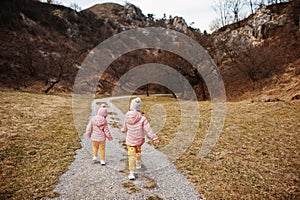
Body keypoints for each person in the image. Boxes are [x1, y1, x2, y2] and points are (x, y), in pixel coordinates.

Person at [121, 97, 159, 180]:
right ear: (139, 108)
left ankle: (131, 172)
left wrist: (123, 130)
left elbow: (125, 128)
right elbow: (148, 129)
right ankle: (138, 162)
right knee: (138, 150)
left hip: (130, 141)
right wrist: (154, 138)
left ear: (131, 106)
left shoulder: (127, 117)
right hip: (139, 141)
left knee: (131, 155)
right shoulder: (142, 119)